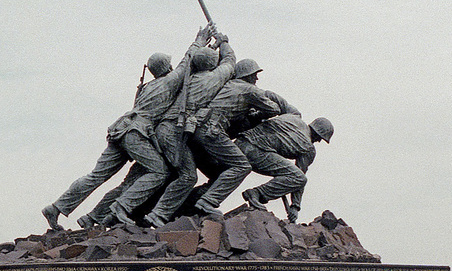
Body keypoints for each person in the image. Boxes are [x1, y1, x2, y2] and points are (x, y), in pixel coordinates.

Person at [41, 27, 211, 231]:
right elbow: (188, 62)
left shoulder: (147, 87)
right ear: (167, 66)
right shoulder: (168, 82)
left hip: (120, 130)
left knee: (97, 175)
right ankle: (122, 207)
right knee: (159, 171)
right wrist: (199, 40)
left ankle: (57, 207)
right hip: (135, 134)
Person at [143, 31, 235, 227]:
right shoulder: (213, 78)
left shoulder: (184, 78)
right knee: (188, 175)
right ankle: (158, 214)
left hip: (166, 130)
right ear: (212, 64)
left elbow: (187, 60)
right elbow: (230, 62)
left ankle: (167, 211)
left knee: (186, 173)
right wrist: (223, 42)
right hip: (173, 132)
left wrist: (202, 43)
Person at [187, 58, 282, 216]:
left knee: (220, 173)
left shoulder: (227, 85)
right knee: (242, 166)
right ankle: (207, 202)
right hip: (212, 131)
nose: (256, 79)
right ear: (248, 75)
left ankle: (188, 205)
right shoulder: (249, 90)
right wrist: (256, 112)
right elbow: (274, 109)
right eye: (255, 75)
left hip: (197, 129)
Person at [237, 115, 333, 223]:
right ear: (317, 134)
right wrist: (295, 207)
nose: (319, 141)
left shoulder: (293, 118)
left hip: (239, 143)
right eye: (320, 138)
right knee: (299, 178)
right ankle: (257, 193)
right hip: (255, 152)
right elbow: (300, 177)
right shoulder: (308, 147)